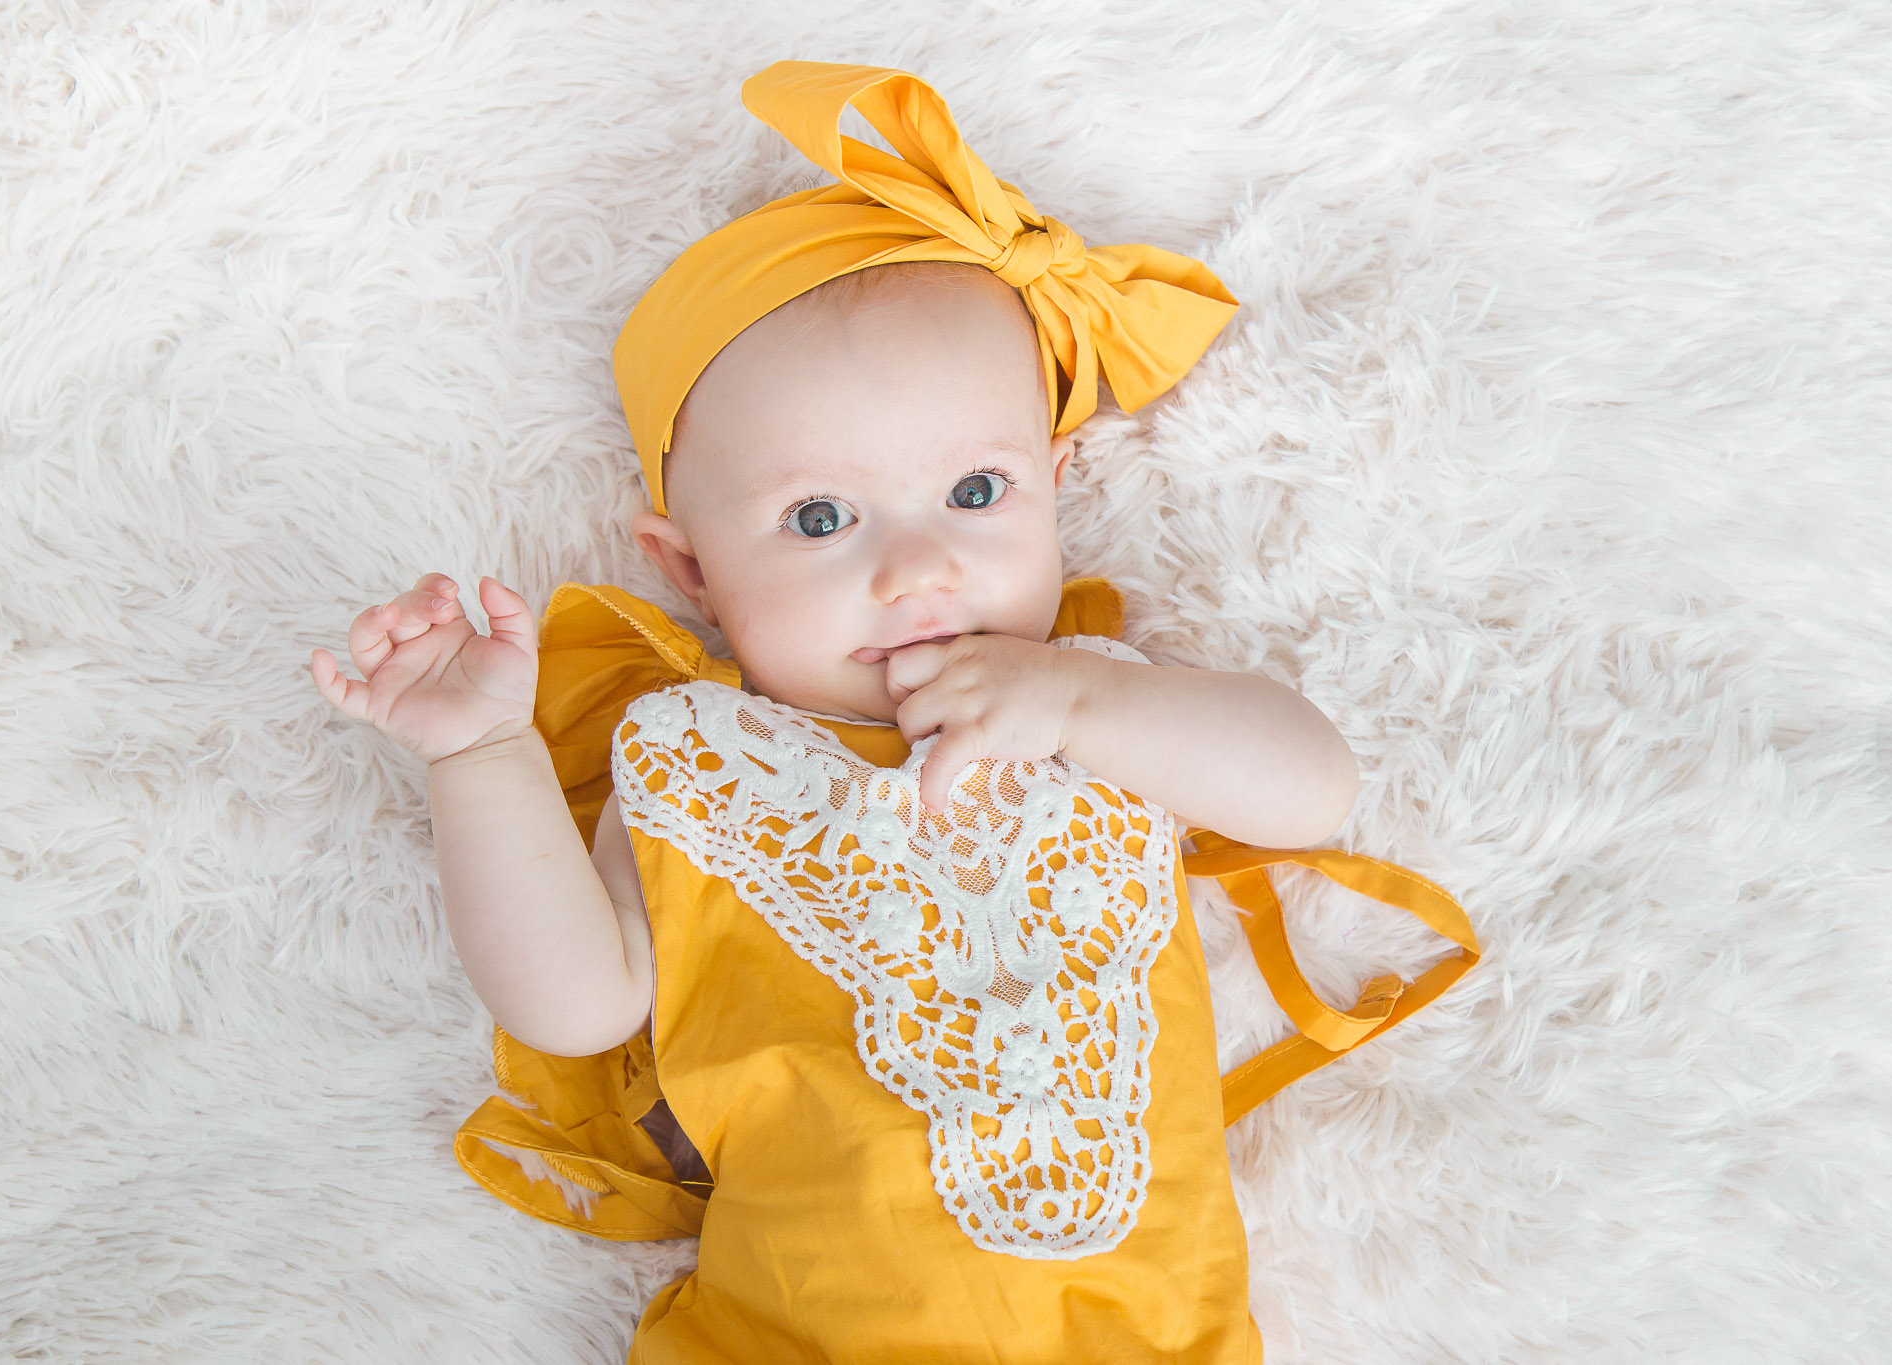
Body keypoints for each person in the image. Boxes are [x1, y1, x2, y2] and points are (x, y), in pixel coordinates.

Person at [310, 61, 1479, 1363]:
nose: (917, 567)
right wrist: (481, 753)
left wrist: (1085, 697)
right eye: (822, 517)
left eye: (975, 494)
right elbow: (576, 1005)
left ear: (1054, 480)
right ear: (689, 565)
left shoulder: (1100, 700)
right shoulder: (697, 767)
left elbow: (1312, 785)